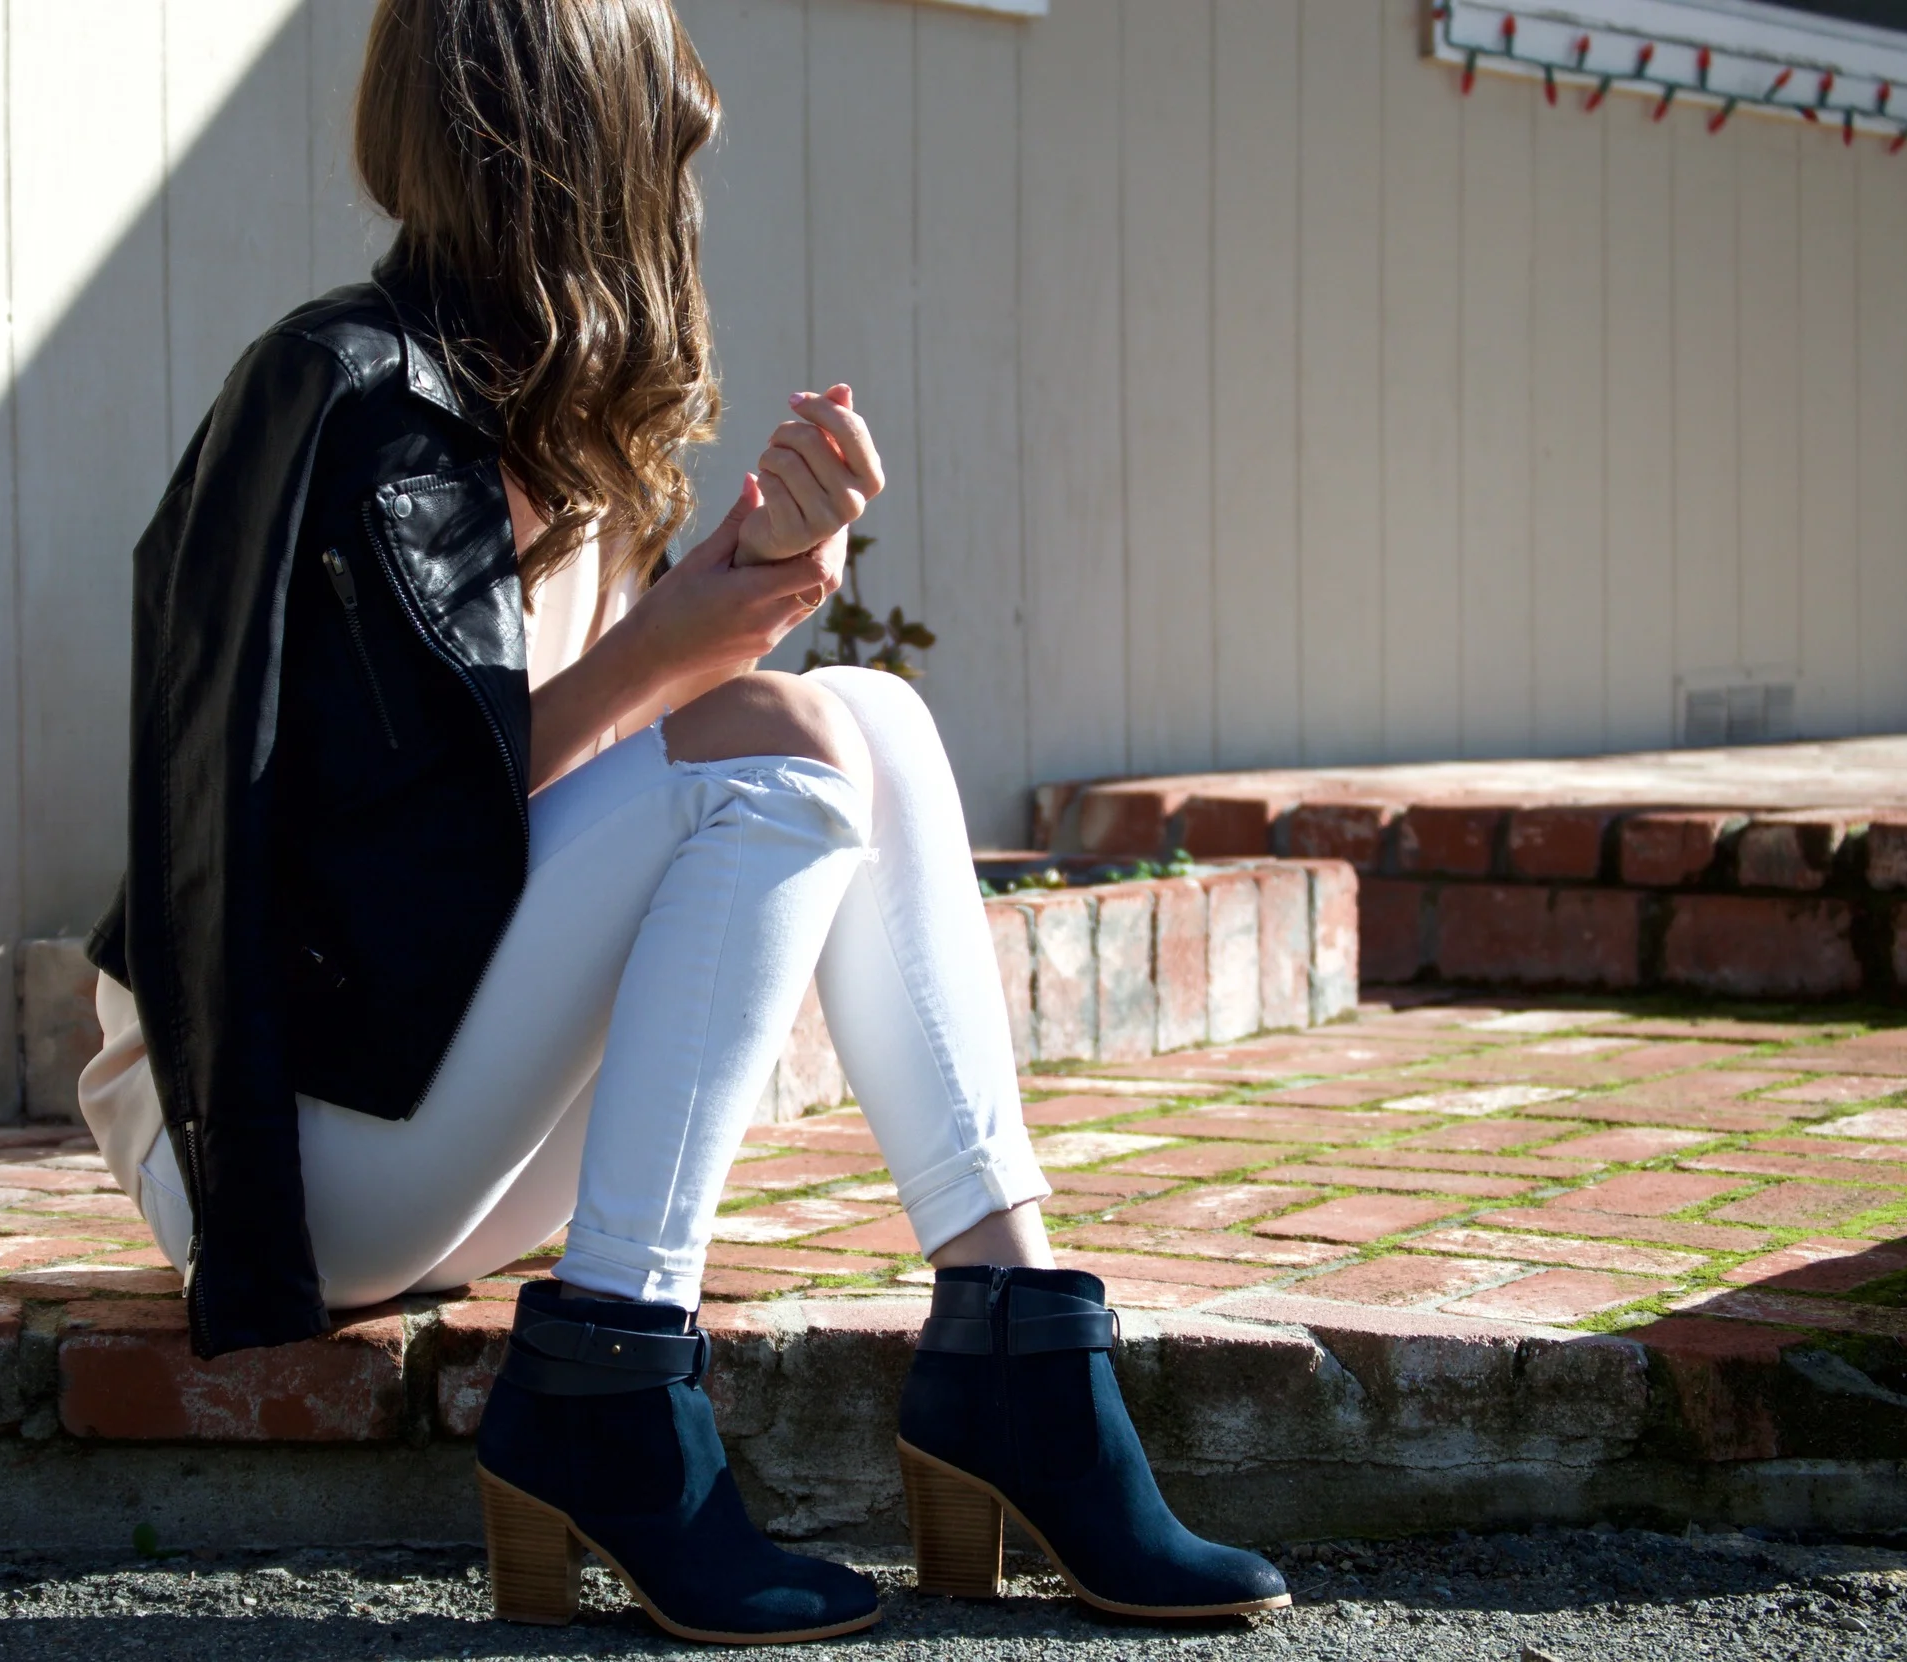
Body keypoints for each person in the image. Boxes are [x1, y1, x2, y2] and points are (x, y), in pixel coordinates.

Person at [76, 0, 1286, 1642]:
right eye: (667, 131)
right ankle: (613, 1385)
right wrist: (672, 656)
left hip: (431, 1101)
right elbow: (344, 853)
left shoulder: (551, 419)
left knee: (873, 715)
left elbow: (565, 793)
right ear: (569, 147)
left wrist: (734, 596)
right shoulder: (349, 396)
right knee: (789, 747)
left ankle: (1016, 1346)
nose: (691, 171)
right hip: (278, 1139)